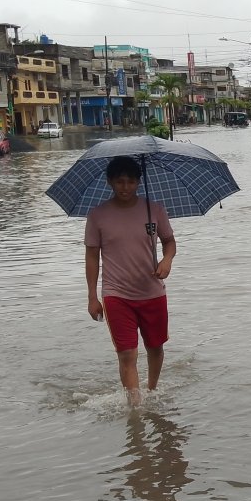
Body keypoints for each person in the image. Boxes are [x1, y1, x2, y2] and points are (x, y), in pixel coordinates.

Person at [85, 156, 176, 406]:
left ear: (138, 182)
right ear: (110, 182)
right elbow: (92, 256)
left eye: (131, 182)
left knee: (155, 347)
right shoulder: (97, 216)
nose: (125, 187)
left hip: (152, 292)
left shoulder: (154, 210)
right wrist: (92, 297)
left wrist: (166, 261)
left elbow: (169, 241)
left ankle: (151, 390)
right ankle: (135, 409)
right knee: (127, 354)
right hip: (116, 294)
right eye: (119, 182)